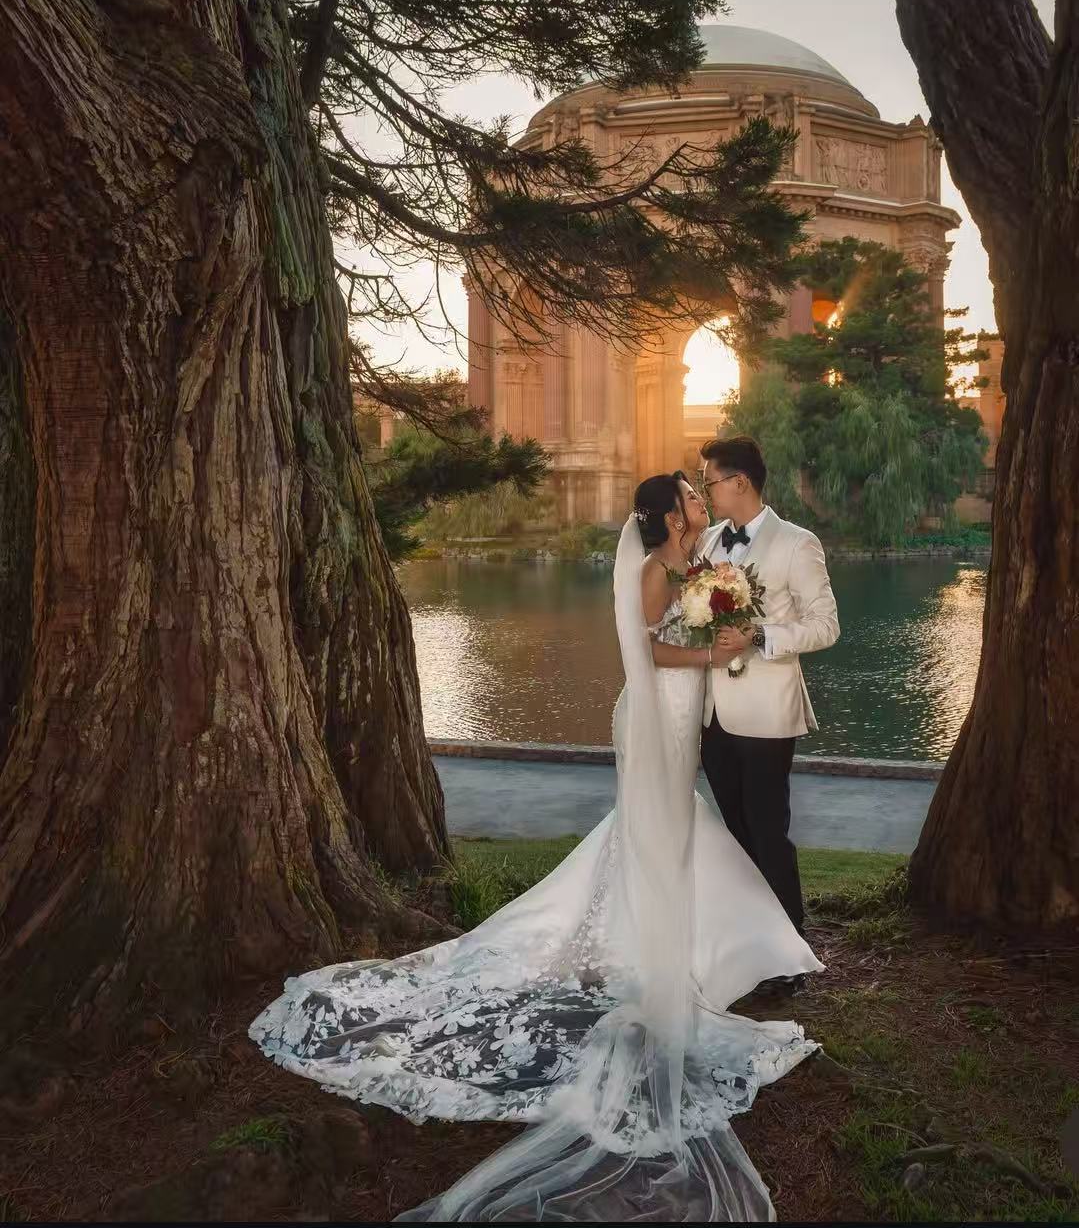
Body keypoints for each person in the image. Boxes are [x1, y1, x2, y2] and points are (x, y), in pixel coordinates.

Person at [250, 471, 822, 1222]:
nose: (698, 496)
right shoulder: (654, 571)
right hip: (658, 713)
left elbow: (703, 624)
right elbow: (652, 655)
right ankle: (665, 942)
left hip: (686, 716)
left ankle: (696, 937)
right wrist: (717, 650)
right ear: (665, 513)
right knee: (658, 826)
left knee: (671, 828)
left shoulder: (697, 560)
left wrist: (723, 618)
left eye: (697, 487)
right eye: (687, 492)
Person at [697, 436, 840, 980]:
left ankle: (790, 956)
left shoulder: (797, 544)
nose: (707, 490)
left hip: (767, 712)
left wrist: (760, 634)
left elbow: (826, 626)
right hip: (714, 715)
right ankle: (747, 949)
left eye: (710, 480)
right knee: (733, 834)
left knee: (767, 832)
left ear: (740, 483)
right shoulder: (708, 543)